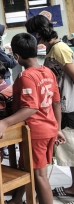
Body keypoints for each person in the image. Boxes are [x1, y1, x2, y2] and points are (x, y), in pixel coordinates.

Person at [0, 33, 65, 204]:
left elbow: (31, 107)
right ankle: (17, 200)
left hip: (36, 132)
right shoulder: (48, 72)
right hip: (49, 128)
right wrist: (58, 128)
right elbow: (56, 103)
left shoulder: (27, 76)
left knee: (39, 175)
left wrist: (5, 122)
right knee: (27, 168)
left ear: (16, 56)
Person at [25, 15, 74, 197]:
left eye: (31, 34)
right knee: (69, 150)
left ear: (38, 34)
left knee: (71, 148)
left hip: (67, 104)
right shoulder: (52, 49)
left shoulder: (59, 48)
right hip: (61, 104)